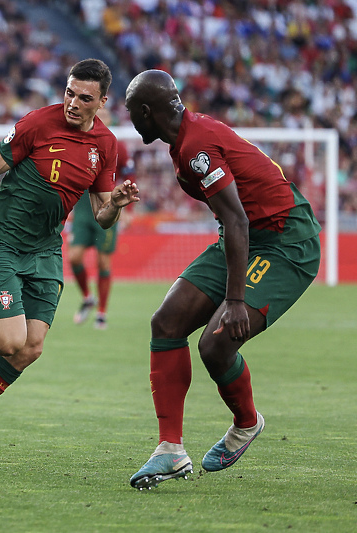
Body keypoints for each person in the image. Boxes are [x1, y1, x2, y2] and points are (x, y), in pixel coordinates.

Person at [0, 59, 140, 450]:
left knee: (30, 349)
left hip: (45, 252)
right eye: (69, 93)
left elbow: (102, 216)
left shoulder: (105, 146)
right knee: (8, 343)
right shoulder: (37, 124)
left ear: (103, 101)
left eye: (84, 97)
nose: (73, 103)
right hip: (5, 243)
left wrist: (118, 204)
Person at [124, 70, 320, 489]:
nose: (131, 124)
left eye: (131, 114)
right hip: (245, 233)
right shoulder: (186, 139)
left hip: (284, 241)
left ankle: (246, 423)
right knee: (167, 322)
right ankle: (170, 450)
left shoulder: (196, 145)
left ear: (146, 112)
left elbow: (236, 218)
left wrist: (233, 300)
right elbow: (233, 219)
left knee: (215, 344)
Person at [69, 120, 134, 328]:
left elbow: (129, 174)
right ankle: (88, 298)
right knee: (74, 257)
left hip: (107, 204)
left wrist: (128, 209)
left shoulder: (116, 144)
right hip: (81, 208)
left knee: (102, 262)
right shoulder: (76, 139)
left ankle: (102, 313)